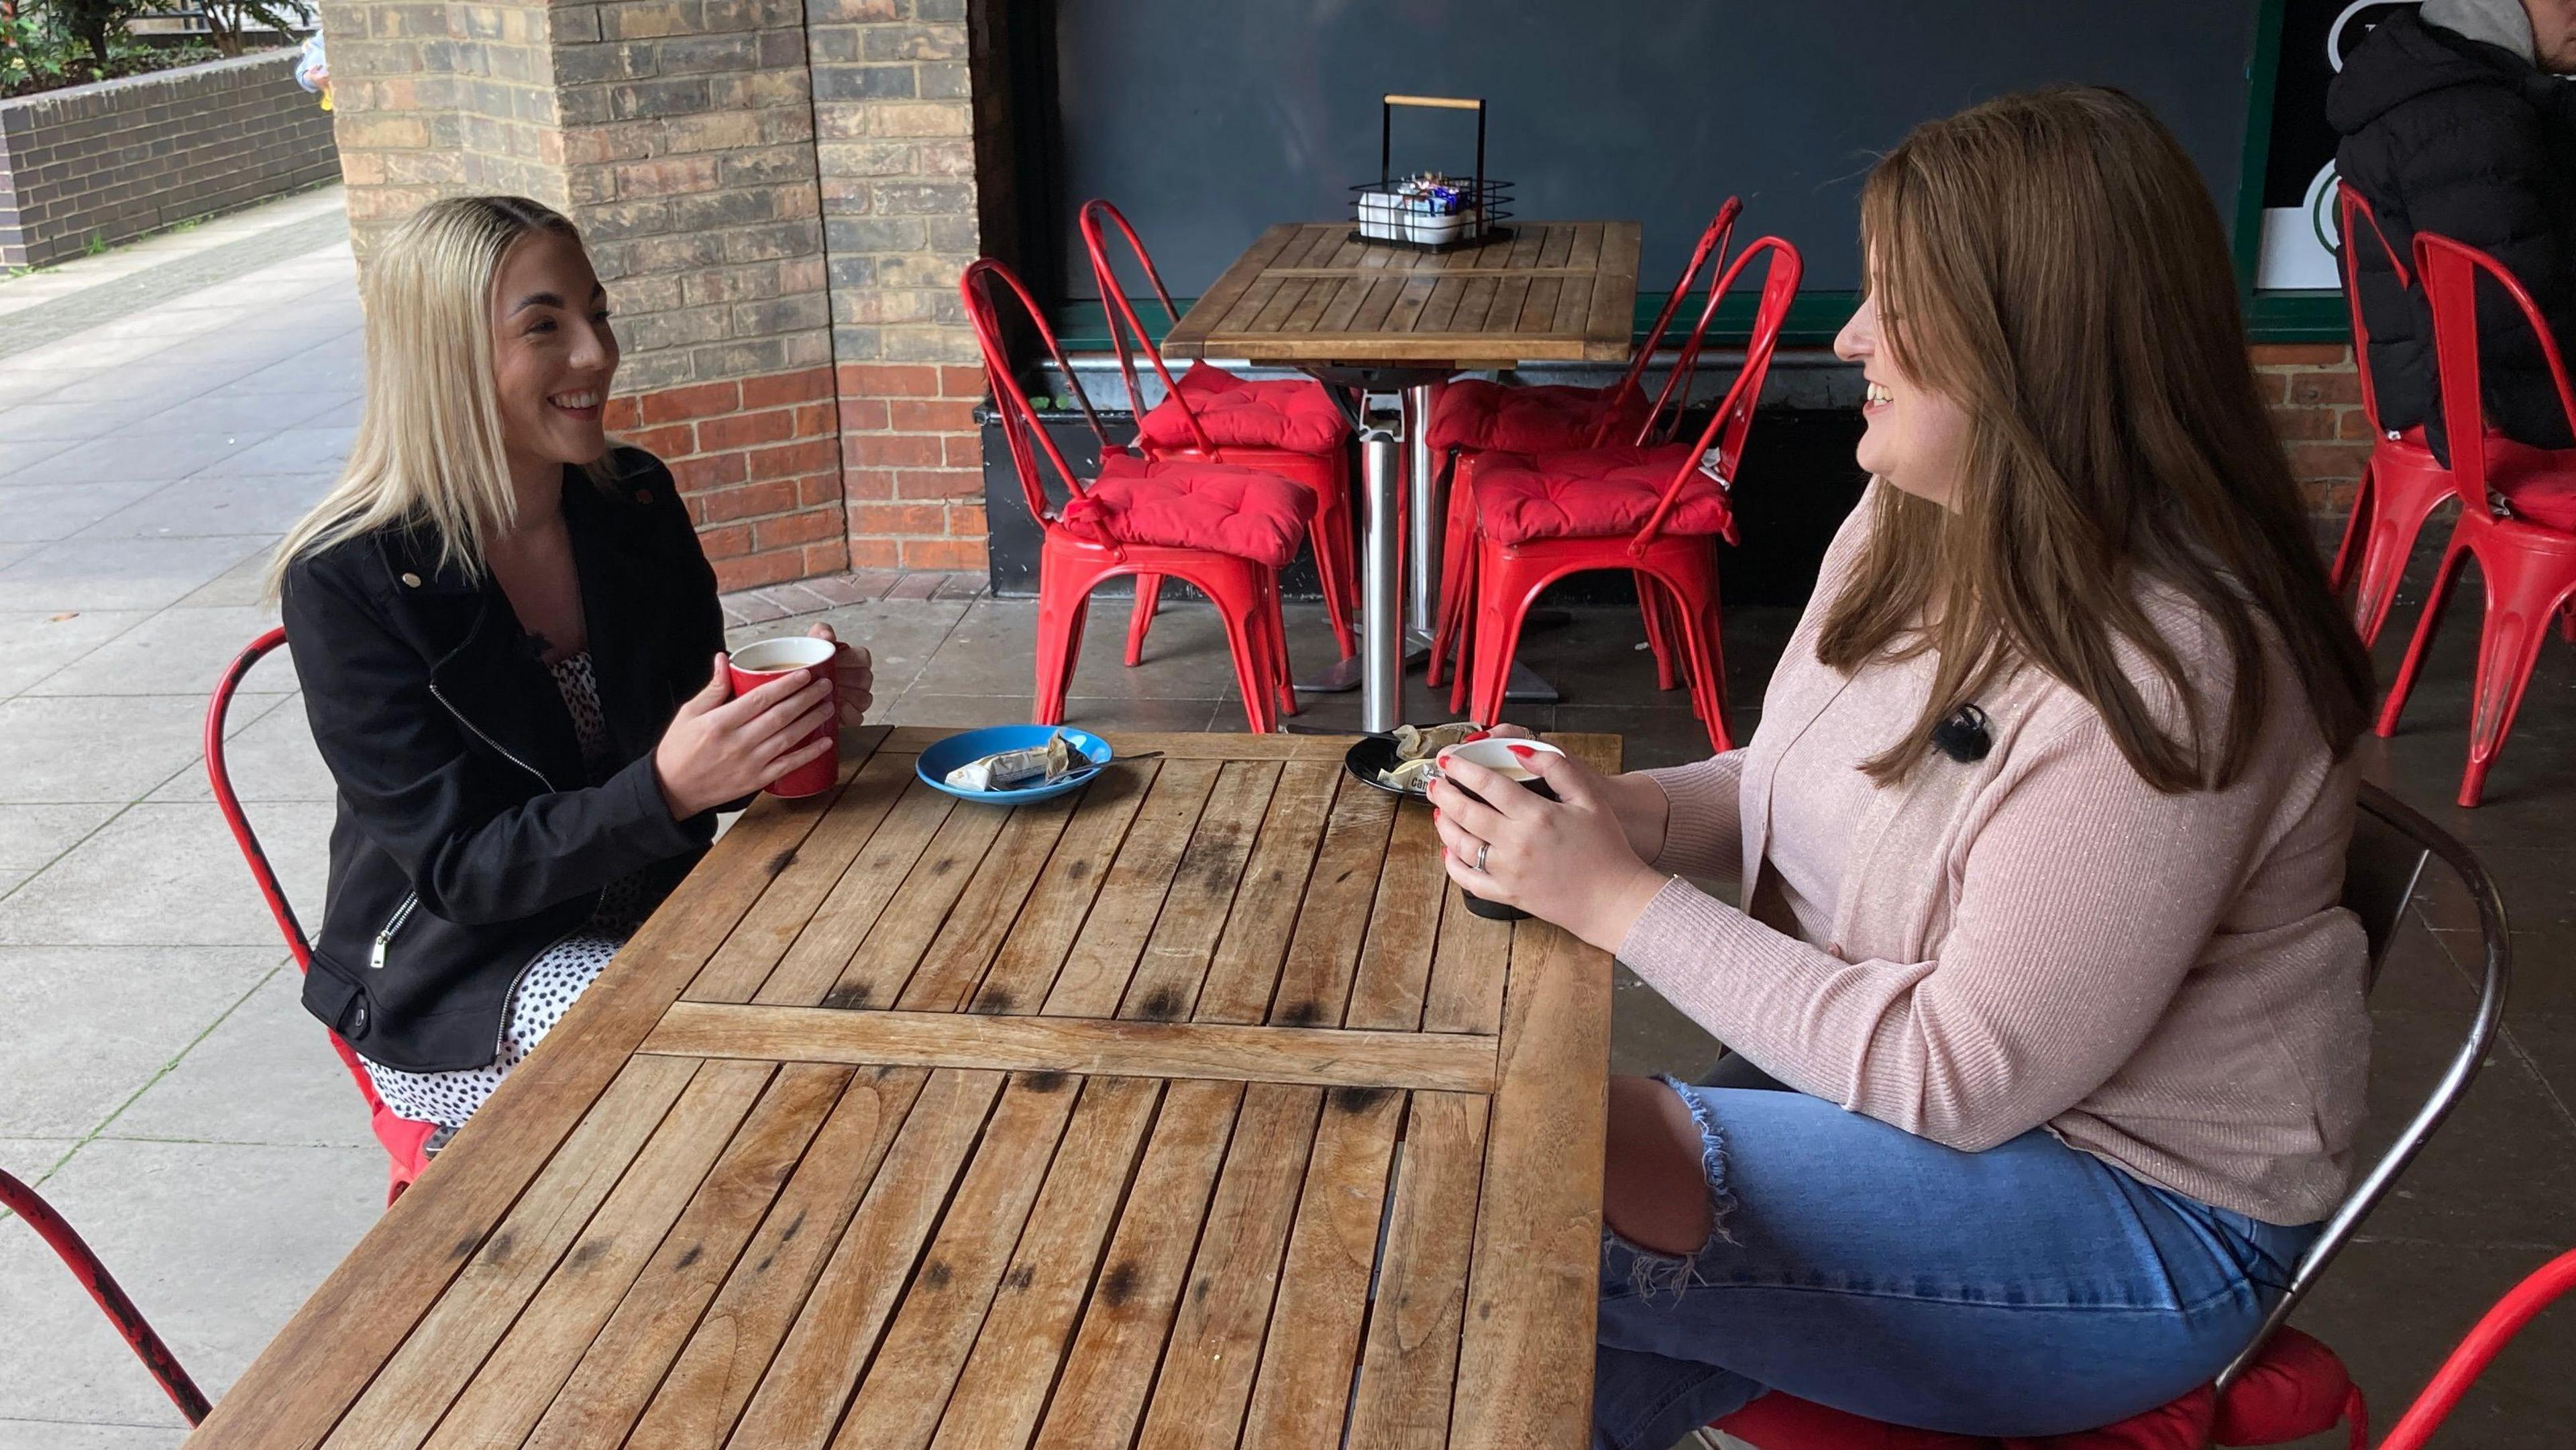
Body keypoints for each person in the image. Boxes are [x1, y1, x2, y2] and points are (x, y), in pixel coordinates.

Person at [1424, 89, 2377, 1446]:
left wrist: (1613, 898)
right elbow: (1792, 782)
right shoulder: (1913, 513)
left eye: (1895, 305)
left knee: (1528, 1187)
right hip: (1899, 1113)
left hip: (2133, 1210)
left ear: (2029, 350)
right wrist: (1626, 814)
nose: (1849, 336)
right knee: (1507, 1272)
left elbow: (1964, 1070)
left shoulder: (2174, 662)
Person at [268, 196, 874, 1147]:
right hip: (463, 974)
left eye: (597, 313)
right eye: (545, 326)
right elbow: (460, 869)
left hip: (655, 916)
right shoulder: (350, 580)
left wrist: (774, 725)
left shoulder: (631, 503)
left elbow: (689, 721)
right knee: (733, 1094)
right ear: (447, 357)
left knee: (874, 965)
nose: (596, 353)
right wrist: (670, 786)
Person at [2330, 0, 2576, 457]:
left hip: (2423, 400)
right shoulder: (2469, 117)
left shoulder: (2425, 83)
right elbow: (2510, 332)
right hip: (2492, 425)